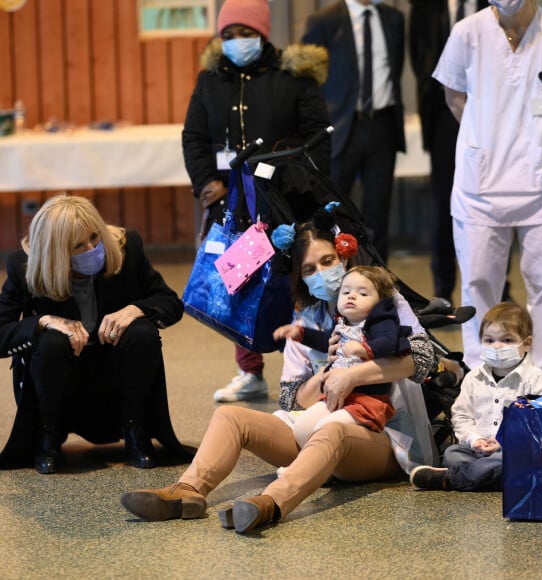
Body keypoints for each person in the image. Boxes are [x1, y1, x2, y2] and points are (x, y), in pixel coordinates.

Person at [120, 218, 436, 534]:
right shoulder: (305, 319)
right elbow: (291, 398)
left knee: (331, 433)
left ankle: (269, 504)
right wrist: (327, 372)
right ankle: (188, 492)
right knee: (230, 417)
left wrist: (353, 376)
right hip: (317, 425)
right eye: (310, 269)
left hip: (379, 435)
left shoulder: (384, 298)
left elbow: (421, 358)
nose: (322, 273)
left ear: (344, 257)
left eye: (328, 261)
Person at [182, 0, 331, 403]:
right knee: (238, 286)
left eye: (245, 33)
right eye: (228, 35)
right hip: (235, 208)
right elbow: (194, 137)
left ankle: (304, 369)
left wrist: (293, 180)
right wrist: (205, 182)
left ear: (263, 34)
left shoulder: (294, 76)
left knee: (295, 286)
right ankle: (250, 373)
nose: (236, 42)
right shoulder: (210, 80)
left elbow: (318, 136)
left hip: (287, 205)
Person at [432, 0, 542, 380]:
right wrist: (491, 137)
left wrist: (535, 141)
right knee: (479, 286)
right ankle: (482, 375)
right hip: (480, 186)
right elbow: (454, 97)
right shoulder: (467, 32)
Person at [0, 195, 188, 474]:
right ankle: (47, 438)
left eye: (94, 237)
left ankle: (137, 434)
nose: (92, 249)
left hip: (113, 373)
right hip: (59, 380)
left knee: (142, 332)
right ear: (55, 253)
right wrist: (43, 322)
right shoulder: (23, 265)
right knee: (50, 341)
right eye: (78, 246)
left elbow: (171, 302)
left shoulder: (126, 246)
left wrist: (136, 309)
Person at [410, 302, 542, 491]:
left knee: (510, 460)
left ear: (527, 343)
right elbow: (461, 415)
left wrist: (506, 440)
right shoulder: (473, 378)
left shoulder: (537, 381)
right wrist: (474, 440)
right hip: (478, 452)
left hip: (514, 450)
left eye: (507, 340)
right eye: (489, 340)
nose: (497, 346)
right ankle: (488, 476)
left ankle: (450, 479)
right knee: (452, 454)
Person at [302, 0, 405, 263]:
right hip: (341, 127)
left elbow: (395, 69)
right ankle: (331, 281)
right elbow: (307, 79)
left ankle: (379, 285)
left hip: (382, 124)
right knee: (331, 211)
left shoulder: (393, 19)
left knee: (378, 214)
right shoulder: (324, 20)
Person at [273, 265, 411, 447]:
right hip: (338, 396)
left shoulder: (380, 321)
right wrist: (300, 333)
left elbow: (389, 342)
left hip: (368, 400)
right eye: (346, 292)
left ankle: (312, 468)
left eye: (363, 294)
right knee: (302, 428)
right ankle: (314, 463)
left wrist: (366, 348)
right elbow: (324, 341)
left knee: (326, 430)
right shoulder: (341, 323)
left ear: (380, 301)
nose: (352, 296)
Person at [409, 0, 487, 303]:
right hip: (442, 117)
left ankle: (498, 287)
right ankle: (443, 289)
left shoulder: (492, 7)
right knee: (444, 204)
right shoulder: (425, 7)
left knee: (490, 202)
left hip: (487, 113)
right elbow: (420, 61)